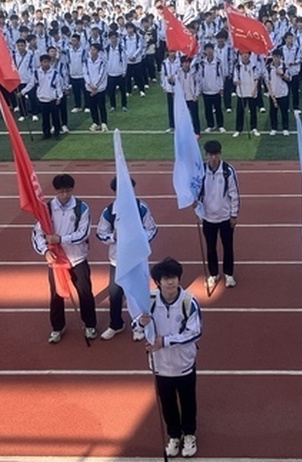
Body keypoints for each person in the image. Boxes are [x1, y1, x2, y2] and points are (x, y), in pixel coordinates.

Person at [135, 257, 201, 458]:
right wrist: (141, 323)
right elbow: (136, 326)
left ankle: (189, 434)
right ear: (158, 281)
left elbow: (195, 333)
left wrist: (164, 341)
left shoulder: (189, 302)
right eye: (166, 278)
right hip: (160, 365)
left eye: (174, 277)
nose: (171, 282)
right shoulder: (149, 301)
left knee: (188, 401)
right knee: (167, 403)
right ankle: (173, 435)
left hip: (184, 364)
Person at [31, 173, 98, 343]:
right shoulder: (46, 209)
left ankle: (90, 325)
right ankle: (57, 327)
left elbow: (83, 233)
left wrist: (61, 239)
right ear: (56, 191)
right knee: (56, 295)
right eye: (61, 192)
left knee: (85, 293)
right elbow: (37, 233)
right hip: (56, 260)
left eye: (68, 191)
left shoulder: (81, 208)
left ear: (72, 190)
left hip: (77, 258)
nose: (65, 195)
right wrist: (45, 251)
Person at [96, 175, 158, 341]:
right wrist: (113, 237)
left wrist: (140, 238)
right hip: (117, 260)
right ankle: (116, 324)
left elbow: (152, 229)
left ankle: (139, 326)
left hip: (137, 259)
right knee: (115, 294)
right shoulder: (110, 211)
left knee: (137, 294)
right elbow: (101, 233)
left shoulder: (141, 208)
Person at [197, 140, 240, 289]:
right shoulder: (201, 171)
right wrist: (197, 209)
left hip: (225, 217)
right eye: (210, 155)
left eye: (216, 155)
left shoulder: (228, 171)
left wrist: (234, 215)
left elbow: (234, 194)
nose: (213, 158)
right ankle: (213, 274)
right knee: (210, 247)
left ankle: (229, 274)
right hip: (208, 217)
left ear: (220, 154)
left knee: (228, 246)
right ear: (206, 155)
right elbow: (197, 192)